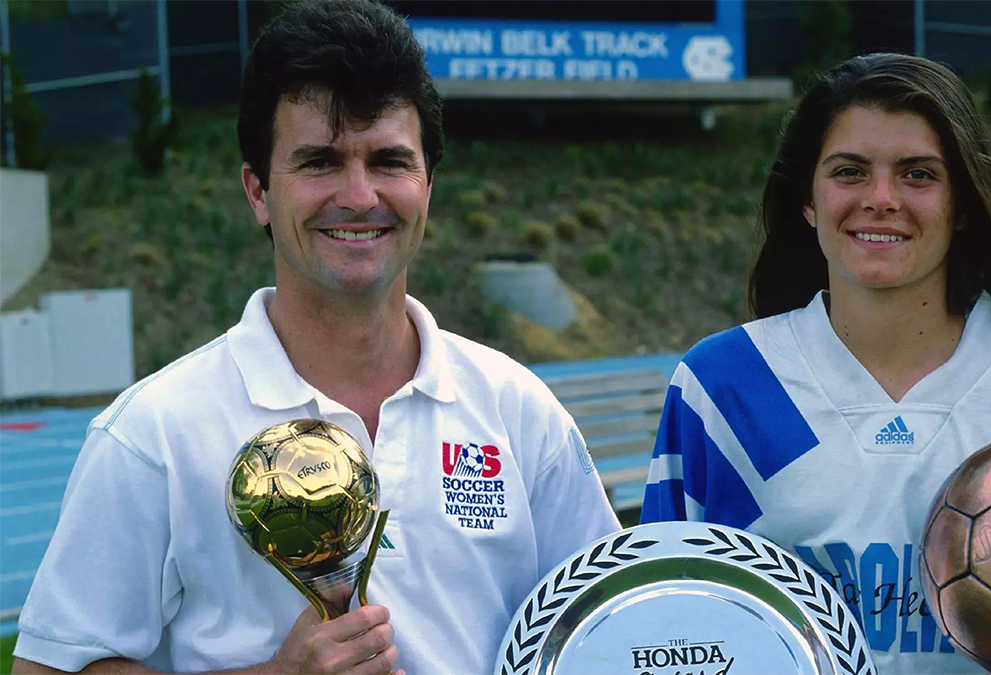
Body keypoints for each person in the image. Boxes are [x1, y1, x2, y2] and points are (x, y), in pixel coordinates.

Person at [13, 1, 619, 673]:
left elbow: (609, 634)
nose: (360, 196)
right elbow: (49, 668)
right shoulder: (155, 434)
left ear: (428, 187)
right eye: (320, 162)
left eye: (390, 161)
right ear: (258, 192)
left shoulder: (520, 413)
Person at [640, 53, 991, 673]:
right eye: (849, 172)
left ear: (964, 203)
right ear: (806, 199)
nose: (882, 199)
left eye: (918, 174)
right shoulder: (723, 387)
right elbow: (661, 623)